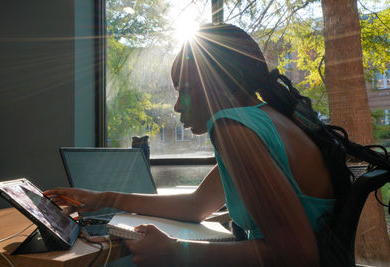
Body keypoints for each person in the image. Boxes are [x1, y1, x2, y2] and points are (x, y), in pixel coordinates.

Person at [45, 23, 335, 266]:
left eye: (183, 90)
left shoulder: (233, 127)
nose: (176, 106)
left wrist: (176, 251)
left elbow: (299, 256)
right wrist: (103, 198)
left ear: (217, 83)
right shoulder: (268, 118)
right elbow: (197, 206)